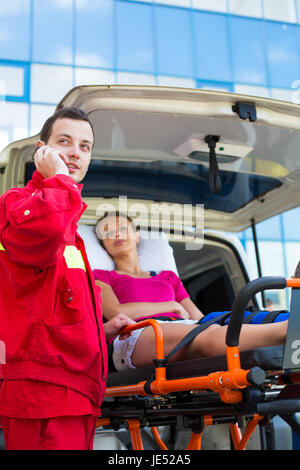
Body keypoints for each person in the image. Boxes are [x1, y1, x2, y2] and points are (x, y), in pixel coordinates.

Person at [0, 108, 133, 450]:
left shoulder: (70, 228)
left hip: (75, 391)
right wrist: (60, 178)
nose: (76, 152)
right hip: (42, 392)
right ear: (41, 150)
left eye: (85, 146)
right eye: (65, 142)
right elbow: (45, 231)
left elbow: (53, 309)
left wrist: (99, 333)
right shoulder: (17, 204)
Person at [93, 212, 289, 371]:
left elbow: (200, 318)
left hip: (181, 327)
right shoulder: (101, 276)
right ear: (103, 245)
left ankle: (285, 320)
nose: (116, 235)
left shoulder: (168, 276)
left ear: (137, 236)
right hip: (135, 333)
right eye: (108, 233)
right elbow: (115, 313)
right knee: (204, 335)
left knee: (220, 322)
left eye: (122, 229)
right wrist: (170, 305)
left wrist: (189, 313)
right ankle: (287, 331)